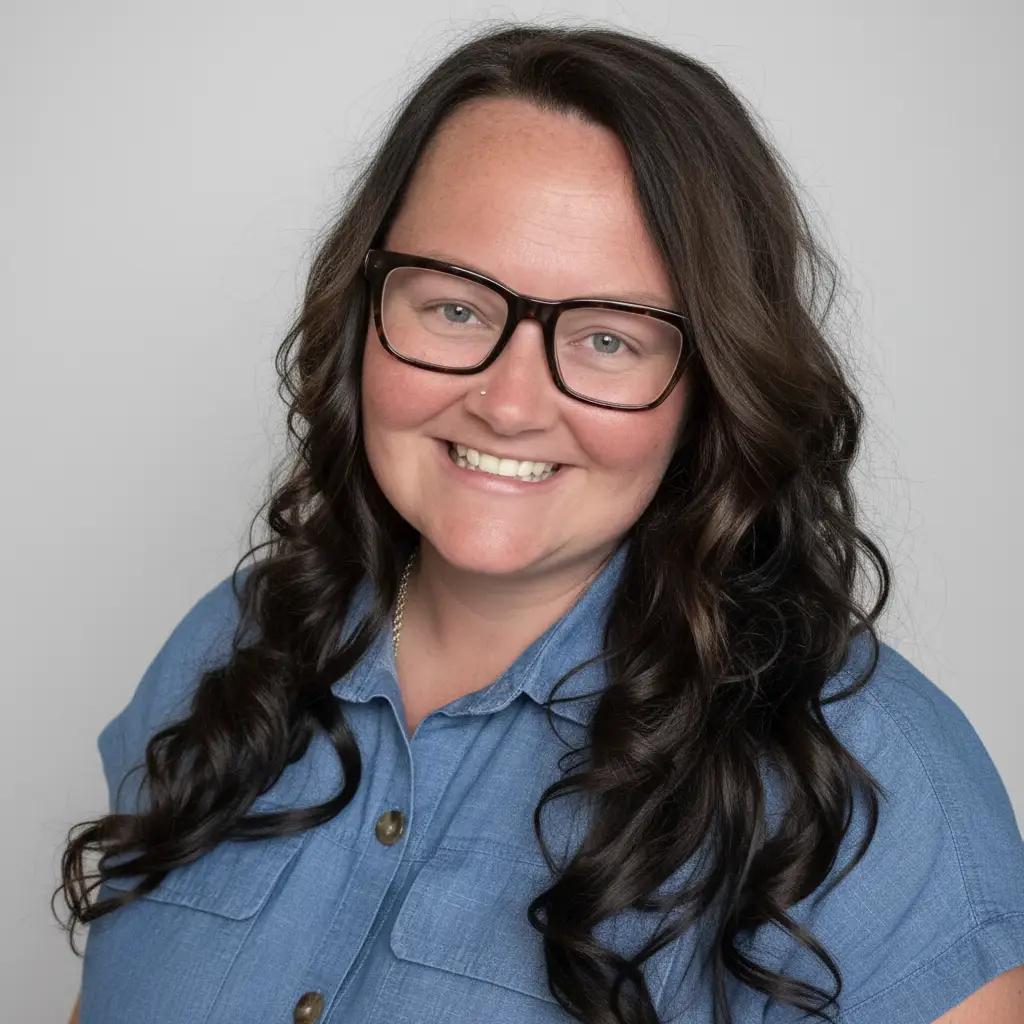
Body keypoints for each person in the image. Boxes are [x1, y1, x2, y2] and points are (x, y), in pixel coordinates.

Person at [57, 23, 1024, 1024]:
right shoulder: (233, 643)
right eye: (455, 309)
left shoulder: (873, 789)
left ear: (711, 386)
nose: (509, 404)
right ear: (363, 311)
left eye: (608, 336)